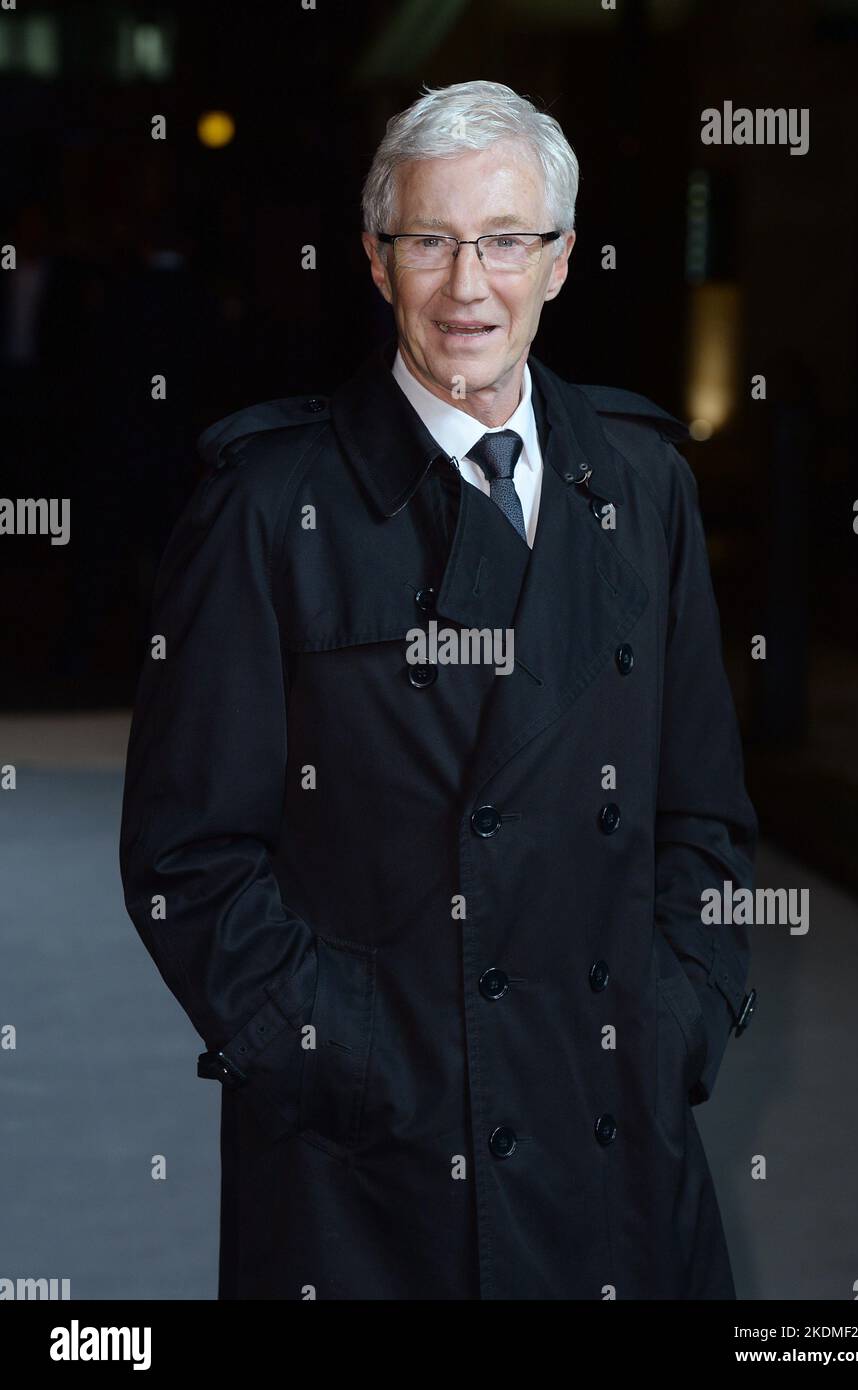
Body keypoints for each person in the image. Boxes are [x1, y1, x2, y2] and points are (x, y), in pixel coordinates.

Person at [119, 78, 757, 1301]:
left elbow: (703, 814)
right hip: (370, 1170)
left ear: (560, 261)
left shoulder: (639, 482)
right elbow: (185, 855)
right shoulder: (267, 506)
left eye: (506, 241)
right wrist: (345, 1056)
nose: (469, 288)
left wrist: (679, 1016)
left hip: (611, 1130)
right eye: (430, 241)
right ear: (375, 260)